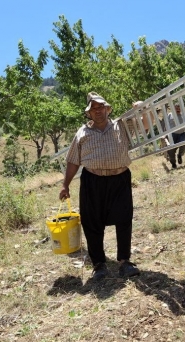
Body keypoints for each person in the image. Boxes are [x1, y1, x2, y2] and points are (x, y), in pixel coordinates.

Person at [60, 92, 140, 280]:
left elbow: (145, 123)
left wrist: (140, 108)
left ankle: (124, 262)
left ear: (108, 109)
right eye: (93, 108)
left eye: (101, 107)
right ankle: (99, 264)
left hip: (119, 178)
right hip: (92, 181)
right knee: (91, 221)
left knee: (124, 218)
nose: (98, 111)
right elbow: (73, 161)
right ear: (88, 114)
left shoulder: (122, 125)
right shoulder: (82, 133)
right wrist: (65, 185)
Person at [164, 103, 185, 169]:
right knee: (171, 149)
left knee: (184, 144)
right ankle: (173, 163)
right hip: (172, 134)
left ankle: (179, 155)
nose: (178, 108)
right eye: (176, 107)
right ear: (173, 108)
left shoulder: (183, 115)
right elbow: (166, 125)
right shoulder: (170, 115)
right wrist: (165, 134)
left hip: (182, 133)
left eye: (179, 107)